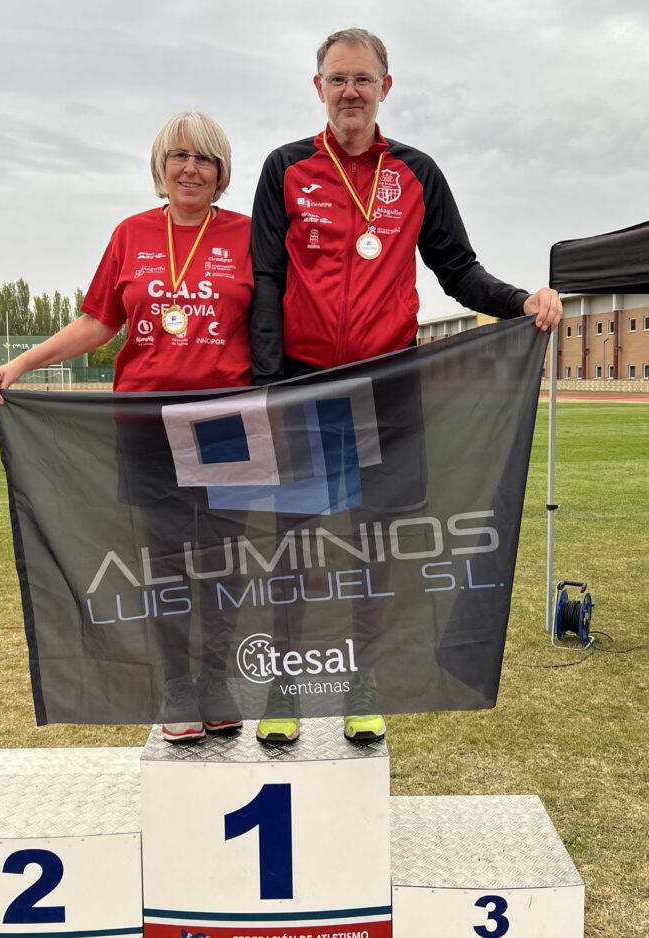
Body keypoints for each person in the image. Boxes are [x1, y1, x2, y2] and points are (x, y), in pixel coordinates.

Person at [250, 28, 563, 745]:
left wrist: (520, 300)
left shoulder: (416, 173)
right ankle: (286, 686)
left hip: (387, 388)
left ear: (386, 87)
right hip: (303, 387)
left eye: (363, 79)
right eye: (337, 79)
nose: (350, 91)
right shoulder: (286, 169)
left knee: (372, 548)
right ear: (318, 87)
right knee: (294, 547)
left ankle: (363, 680)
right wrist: (271, 383)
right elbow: (266, 279)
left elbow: (458, 268)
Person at [0, 111, 253, 743]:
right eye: (179, 156)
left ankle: (217, 684)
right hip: (146, 422)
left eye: (205, 158)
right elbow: (98, 323)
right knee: (165, 563)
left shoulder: (247, 234)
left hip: (227, 422)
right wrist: (19, 363)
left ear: (221, 171)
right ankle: (177, 689)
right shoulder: (131, 234)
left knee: (224, 563)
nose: (191, 168)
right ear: (161, 167)